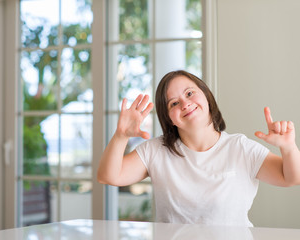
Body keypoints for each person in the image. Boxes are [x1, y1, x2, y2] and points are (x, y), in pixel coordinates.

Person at [97, 70, 300, 227]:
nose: (185, 103)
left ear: (206, 96)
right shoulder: (156, 150)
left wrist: (289, 148)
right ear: (168, 118)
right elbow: (109, 176)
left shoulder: (240, 148)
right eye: (174, 103)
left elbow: (291, 177)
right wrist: (120, 136)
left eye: (190, 93)